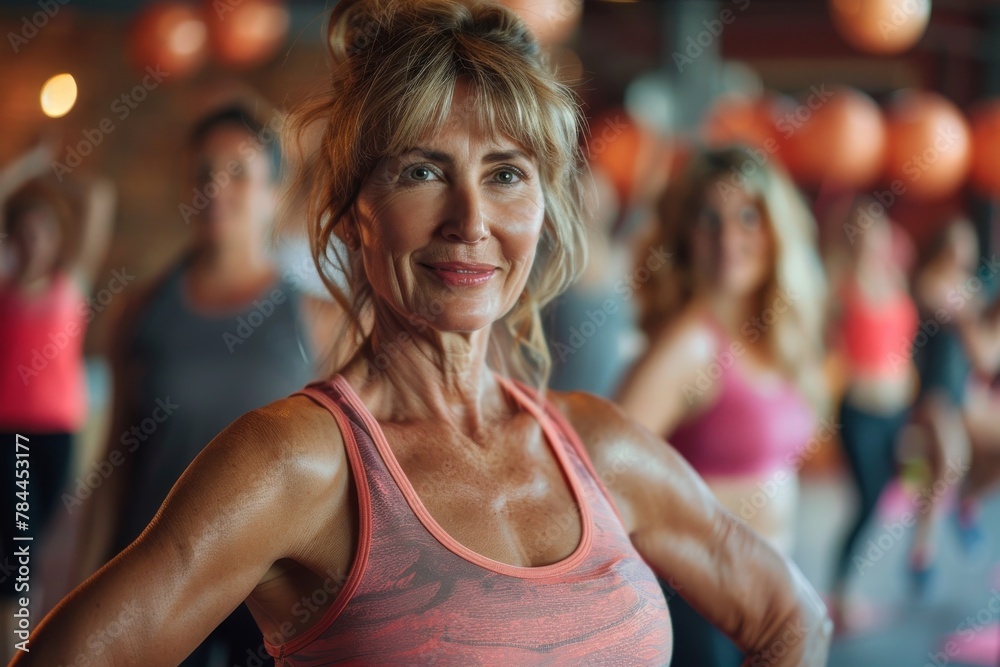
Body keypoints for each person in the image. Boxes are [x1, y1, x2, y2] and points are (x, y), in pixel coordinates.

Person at [11, 2, 831, 665]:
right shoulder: (299, 462)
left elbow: (794, 620)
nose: (471, 220)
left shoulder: (600, 446)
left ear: (542, 206)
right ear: (352, 210)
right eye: (422, 170)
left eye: (506, 172)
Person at [70, 102, 319, 667]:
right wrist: (83, 588)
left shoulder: (314, 319)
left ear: (275, 191)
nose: (216, 188)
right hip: (154, 584)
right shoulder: (139, 311)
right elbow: (114, 465)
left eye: (239, 172)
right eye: (203, 172)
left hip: (267, 598)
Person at [616, 147, 828, 667]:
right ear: (685, 236)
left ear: (775, 229)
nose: (729, 238)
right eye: (708, 219)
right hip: (705, 606)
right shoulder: (689, 345)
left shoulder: (778, 339)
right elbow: (603, 476)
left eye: (748, 216)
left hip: (768, 594)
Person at [0, 141, 114, 659]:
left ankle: (31, 644)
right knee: (20, 550)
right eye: (23, 232)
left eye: (42, 230)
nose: (33, 242)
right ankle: (19, 649)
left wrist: (56, 168)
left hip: (59, 433)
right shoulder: (3, 288)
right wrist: (24, 168)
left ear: (54, 237)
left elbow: (100, 199)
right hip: (10, 434)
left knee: (42, 547)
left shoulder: (71, 284)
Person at [824, 197, 918, 628]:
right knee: (866, 500)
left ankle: (861, 583)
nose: (870, 235)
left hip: (897, 407)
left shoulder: (895, 279)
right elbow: (818, 345)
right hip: (860, 411)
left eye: (875, 227)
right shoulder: (840, 287)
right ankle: (841, 592)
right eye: (860, 228)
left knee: (884, 495)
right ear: (852, 236)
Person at [909, 216, 1000, 592]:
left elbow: (986, 357)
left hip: (963, 396)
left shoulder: (970, 289)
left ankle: (966, 504)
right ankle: (921, 552)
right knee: (950, 461)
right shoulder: (928, 283)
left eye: (966, 243)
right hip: (933, 394)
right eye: (954, 242)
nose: (960, 251)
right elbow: (982, 352)